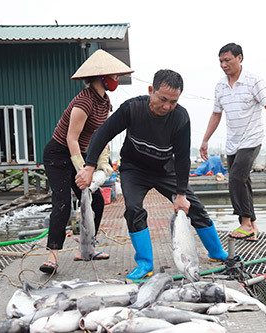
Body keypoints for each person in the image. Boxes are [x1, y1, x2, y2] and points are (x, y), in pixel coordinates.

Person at [75, 69, 229, 280]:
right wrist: (89, 166)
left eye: (173, 102)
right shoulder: (132, 108)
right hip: (134, 170)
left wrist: (181, 194)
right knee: (133, 209)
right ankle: (145, 263)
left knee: (194, 207)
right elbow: (102, 134)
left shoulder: (181, 118)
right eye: (163, 99)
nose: (167, 106)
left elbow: (183, 158)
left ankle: (217, 253)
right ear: (151, 91)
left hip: (166, 170)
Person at [39, 50, 134, 274]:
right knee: (62, 203)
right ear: (102, 78)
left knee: (97, 202)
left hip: (80, 155)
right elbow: (71, 138)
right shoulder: (83, 102)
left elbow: (100, 135)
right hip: (58, 154)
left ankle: (86, 247)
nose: (116, 81)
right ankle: (52, 255)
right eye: (114, 76)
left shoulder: (104, 101)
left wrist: (102, 164)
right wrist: (83, 171)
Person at [200, 43, 266, 242]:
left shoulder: (253, 81)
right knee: (243, 180)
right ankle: (252, 226)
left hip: (252, 138)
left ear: (239, 58)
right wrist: (205, 139)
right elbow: (216, 114)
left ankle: (245, 223)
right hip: (233, 142)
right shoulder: (221, 86)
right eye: (221, 61)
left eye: (227, 60)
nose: (223, 65)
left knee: (236, 178)